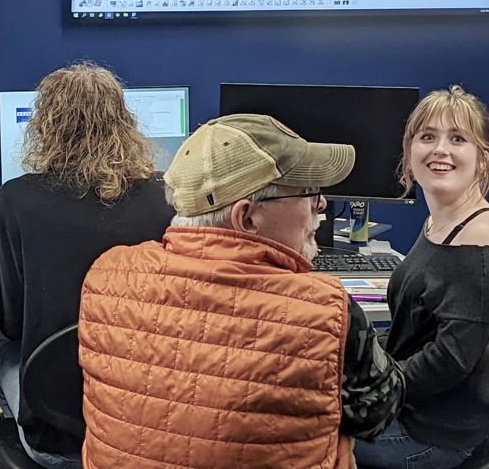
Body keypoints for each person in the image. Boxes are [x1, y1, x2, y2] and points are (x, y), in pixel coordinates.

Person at [77, 114, 403, 469]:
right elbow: (378, 414)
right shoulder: (324, 308)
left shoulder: (107, 276)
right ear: (247, 218)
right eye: (308, 192)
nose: (321, 204)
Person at [0, 63, 174, 468]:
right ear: (125, 122)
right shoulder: (166, 197)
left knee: (4, 357)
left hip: (58, 440)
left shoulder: (17, 199)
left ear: (45, 126)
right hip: (147, 427)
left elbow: (11, 323)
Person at [354, 86, 489, 469]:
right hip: (417, 411)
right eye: (427, 136)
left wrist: (373, 392)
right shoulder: (439, 223)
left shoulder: (481, 242)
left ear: (482, 158)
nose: (440, 150)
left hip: (435, 435)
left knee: (294, 434)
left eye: (458, 139)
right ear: (409, 151)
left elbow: (449, 359)